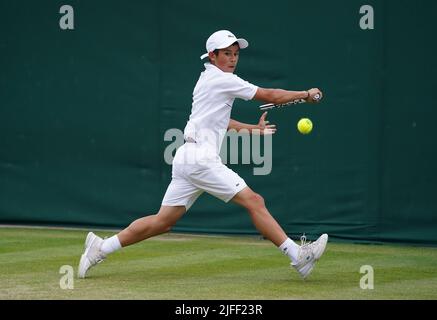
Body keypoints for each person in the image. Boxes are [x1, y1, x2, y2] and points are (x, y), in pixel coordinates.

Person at [78, 30, 328, 280]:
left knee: (163, 222)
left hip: (187, 157)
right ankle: (298, 255)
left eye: (236, 54)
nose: (233, 59)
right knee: (255, 201)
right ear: (212, 55)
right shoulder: (222, 80)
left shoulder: (207, 78)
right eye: (227, 54)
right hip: (200, 159)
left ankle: (101, 247)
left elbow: (221, 120)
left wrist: (254, 129)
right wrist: (305, 95)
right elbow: (270, 95)